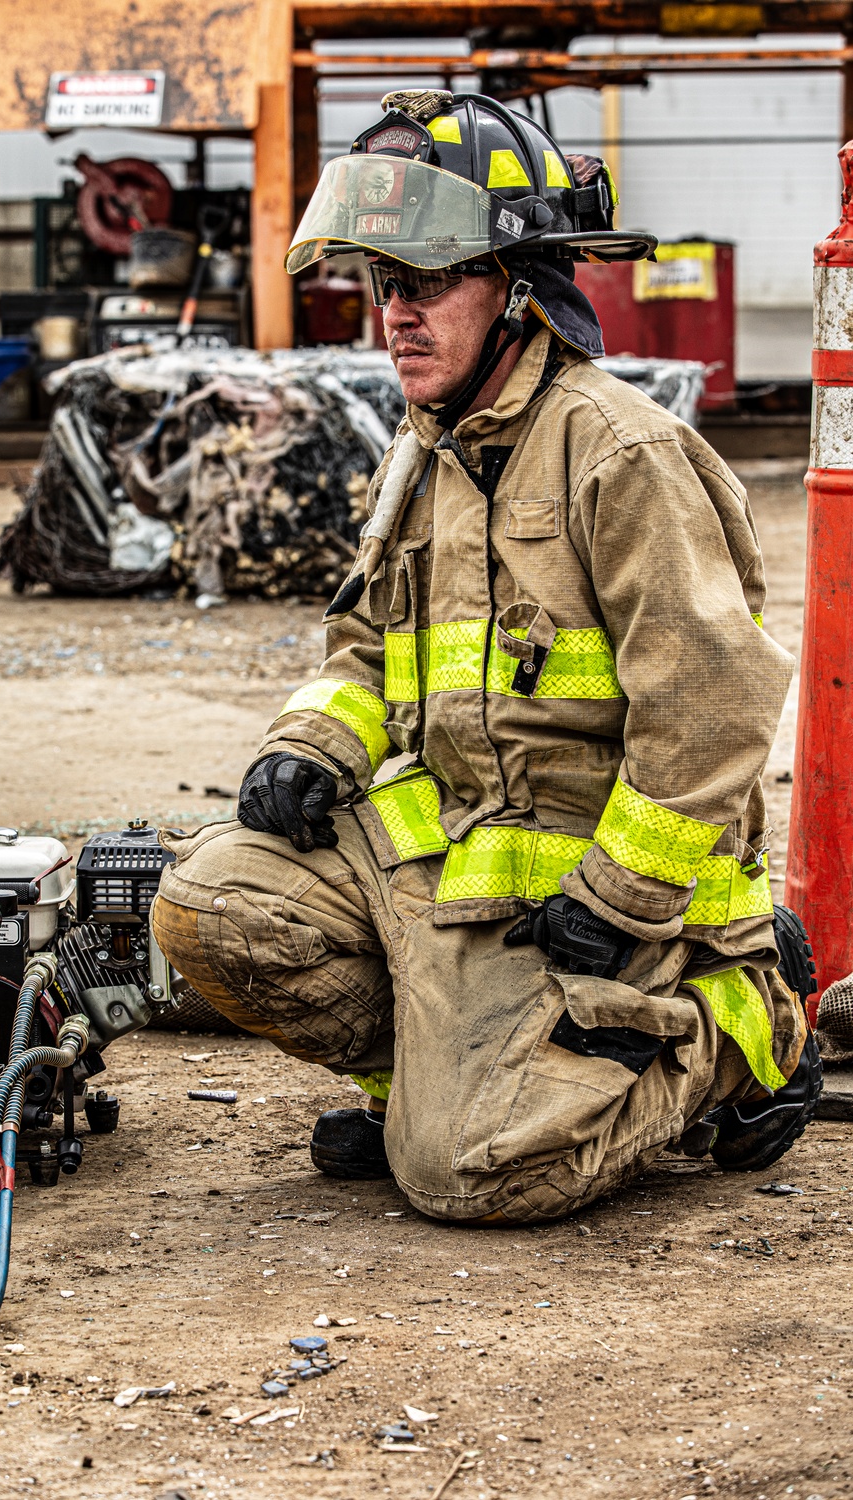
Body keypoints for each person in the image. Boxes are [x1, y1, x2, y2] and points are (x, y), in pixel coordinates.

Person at [152, 89, 820, 1224]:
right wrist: (308, 743)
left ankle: (743, 1030)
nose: (392, 318)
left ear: (517, 289)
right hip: (451, 862)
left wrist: (623, 893)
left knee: (477, 1173)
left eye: (423, 284)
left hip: (581, 888)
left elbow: (711, 709)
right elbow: (363, 649)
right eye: (381, 287)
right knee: (210, 905)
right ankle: (424, 1082)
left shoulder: (619, 454)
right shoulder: (423, 454)